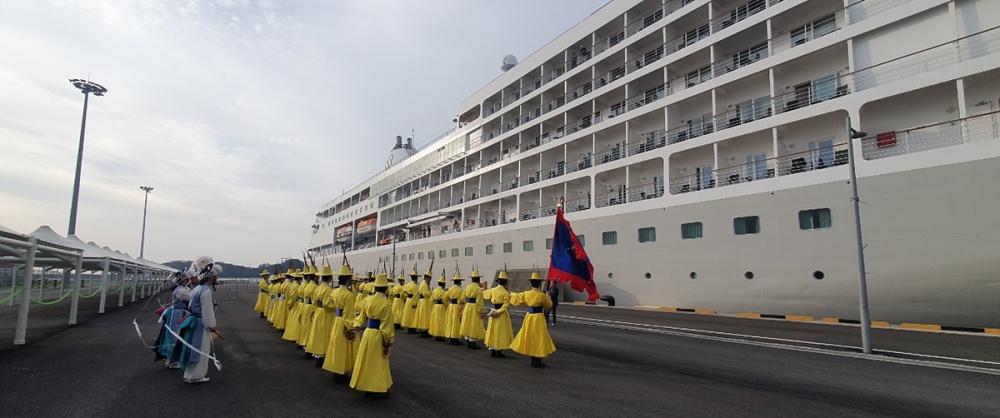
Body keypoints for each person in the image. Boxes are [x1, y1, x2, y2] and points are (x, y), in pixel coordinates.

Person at [350, 271, 395, 398]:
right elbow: (387, 325)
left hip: (368, 333)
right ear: (386, 288)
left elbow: (361, 316)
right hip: (378, 334)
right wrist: (388, 339)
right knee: (377, 362)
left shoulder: (368, 300)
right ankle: (376, 388)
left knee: (366, 360)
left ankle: (366, 386)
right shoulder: (386, 303)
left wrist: (356, 326)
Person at [179, 261, 222, 383]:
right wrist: (211, 325)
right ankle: (197, 375)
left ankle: (190, 374)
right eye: (215, 276)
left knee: (193, 348)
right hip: (201, 323)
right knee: (201, 349)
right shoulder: (206, 291)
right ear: (211, 278)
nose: (217, 278)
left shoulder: (198, 288)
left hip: (194, 321)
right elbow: (207, 311)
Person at [322, 262, 360, 382]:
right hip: (344, 321)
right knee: (344, 348)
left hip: (336, 320)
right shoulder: (348, 295)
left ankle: (336, 369)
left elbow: (327, 304)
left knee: (335, 346)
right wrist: (351, 327)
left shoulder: (334, 291)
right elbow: (349, 313)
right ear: (348, 280)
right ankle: (341, 371)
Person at [510, 271, 555, 368]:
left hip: (529, 316)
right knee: (538, 337)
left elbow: (517, 298)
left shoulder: (527, 294)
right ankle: (537, 359)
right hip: (538, 317)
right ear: (539, 283)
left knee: (529, 336)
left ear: (531, 283)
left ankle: (532, 358)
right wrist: (548, 296)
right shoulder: (541, 295)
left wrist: (511, 294)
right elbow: (548, 306)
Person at [152, 269, 194, 368]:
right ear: (183, 280)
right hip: (178, 314)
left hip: (180, 313)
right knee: (175, 336)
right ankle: (172, 360)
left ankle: (173, 359)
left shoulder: (182, 289)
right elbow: (192, 297)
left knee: (176, 335)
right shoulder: (180, 290)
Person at [305, 263, 335, 365]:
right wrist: (335, 306)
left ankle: (317, 353)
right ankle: (322, 354)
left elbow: (314, 301)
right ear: (330, 278)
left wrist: (315, 310)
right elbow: (328, 304)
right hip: (326, 313)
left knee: (317, 333)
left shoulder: (318, 288)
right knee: (325, 334)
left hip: (318, 311)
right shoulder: (328, 290)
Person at [484, 270, 513, 358]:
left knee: (492, 330)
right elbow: (506, 304)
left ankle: (492, 348)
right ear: (505, 282)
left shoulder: (492, 290)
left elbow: (485, 295)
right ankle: (498, 350)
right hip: (501, 313)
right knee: (500, 331)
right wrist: (499, 311)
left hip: (493, 310)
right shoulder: (505, 293)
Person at [459, 268, 486, 349]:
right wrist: (480, 311)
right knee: (473, 324)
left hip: (468, 306)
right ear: (478, 279)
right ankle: (473, 343)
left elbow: (462, 298)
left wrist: (462, 307)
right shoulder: (478, 288)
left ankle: (468, 341)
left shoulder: (468, 287)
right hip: (474, 307)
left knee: (467, 322)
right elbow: (479, 302)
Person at [444, 271, 464, 345]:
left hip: (451, 306)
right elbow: (462, 300)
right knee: (456, 323)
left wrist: (447, 305)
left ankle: (451, 337)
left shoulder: (450, 289)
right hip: (456, 306)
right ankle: (455, 338)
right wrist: (461, 309)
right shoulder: (460, 290)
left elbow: (445, 298)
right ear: (459, 282)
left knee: (451, 322)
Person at [428, 272, 449, 341]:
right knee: (441, 321)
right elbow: (445, 300)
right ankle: (440, 334)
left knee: (435, 320)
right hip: (441, 307)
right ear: (443, 284)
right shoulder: (443, 292)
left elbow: (431, 300)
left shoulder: (434, 290)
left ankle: (436, 334)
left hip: (435, 306)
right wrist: (447, 307)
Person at [416, 267, 434, 338]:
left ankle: (424, 330)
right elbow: (425, 293)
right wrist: (431, 292)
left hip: (424, 302)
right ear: (427, 278)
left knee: (424, 317)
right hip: (424, 302)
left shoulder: (423, 284)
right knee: (424, 317)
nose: (430, 280)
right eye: (429, 279)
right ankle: (424, 331)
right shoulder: (424, 285)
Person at [402, 268, 420, 334]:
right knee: (412, 316)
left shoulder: (408, 284)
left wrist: (407, 295)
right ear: (416, 278)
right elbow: (416, 295)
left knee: (408, 315)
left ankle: (409, 328)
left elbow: (403, 290)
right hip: (412, 301)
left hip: (408, 300)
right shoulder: (415, 286)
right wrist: (415, 303)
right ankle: (412, 328)